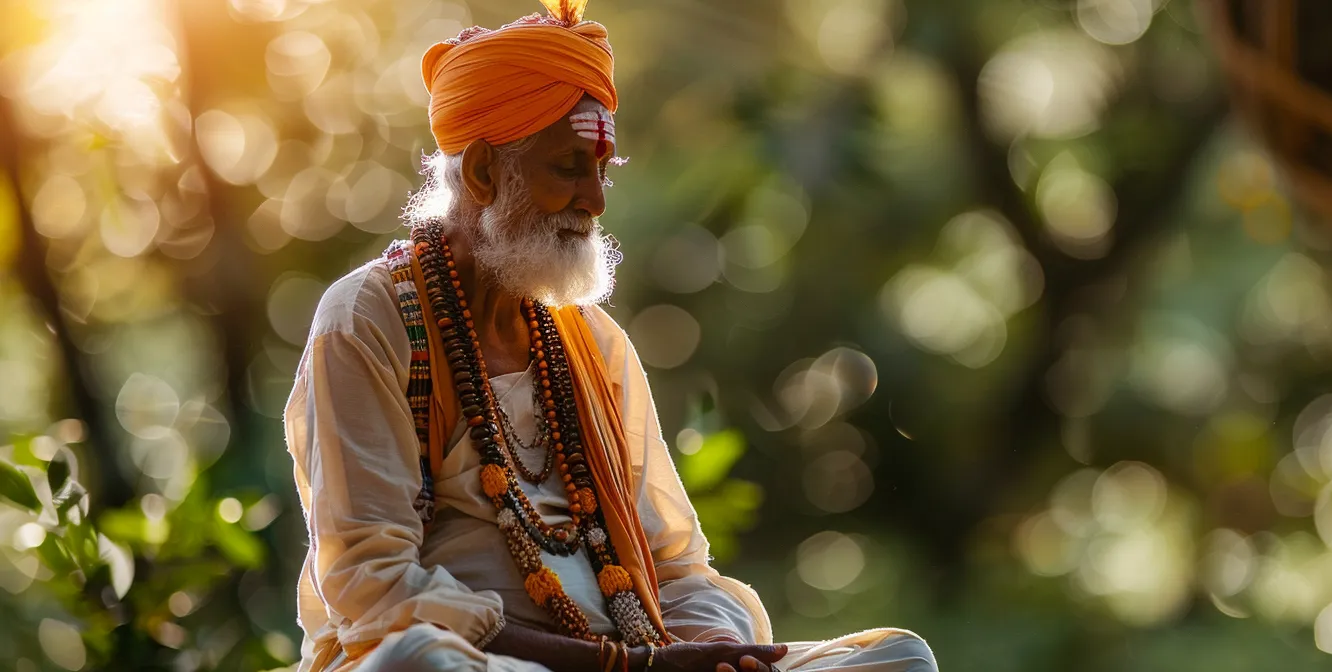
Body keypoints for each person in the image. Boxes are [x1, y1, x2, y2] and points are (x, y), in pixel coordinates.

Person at [282, 2, 937, 670]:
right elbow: (375, 587)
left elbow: (676, 568)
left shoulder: (591, 343)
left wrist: (713, 649)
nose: (595, 199)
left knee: (898, 659)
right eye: (568, 167)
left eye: (604, 169)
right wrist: (617, 666)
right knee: (418, 661)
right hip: (488, 663)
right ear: (482, 173)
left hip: (639, 656)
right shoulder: (370, 317)